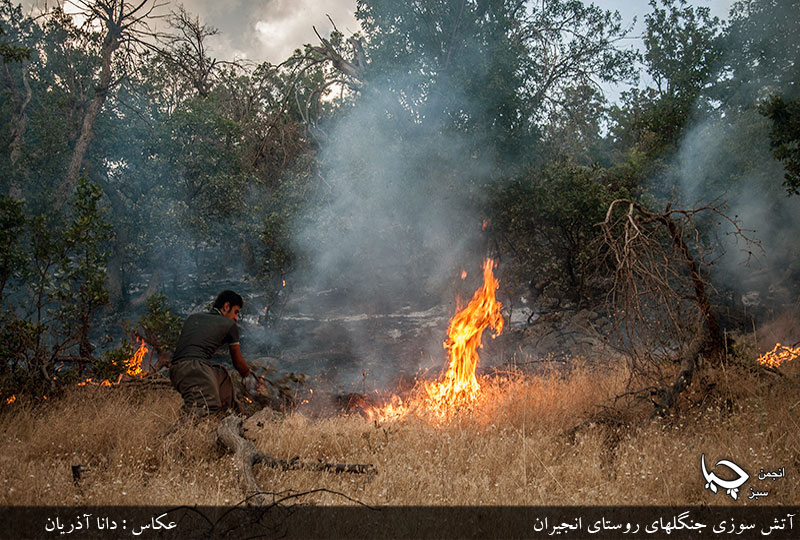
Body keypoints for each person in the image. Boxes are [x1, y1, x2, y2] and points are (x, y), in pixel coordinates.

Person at [169, 290, 259, 416]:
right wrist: (248, 376)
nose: (236, 318)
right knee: (206, 406)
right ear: (226, 306)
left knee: (221, 376)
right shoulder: (229, 325)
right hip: (194, 368)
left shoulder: (193, 318)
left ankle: (236, 418)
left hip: (176, 370)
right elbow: (237, 362)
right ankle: (174, 435)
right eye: (236, 312)